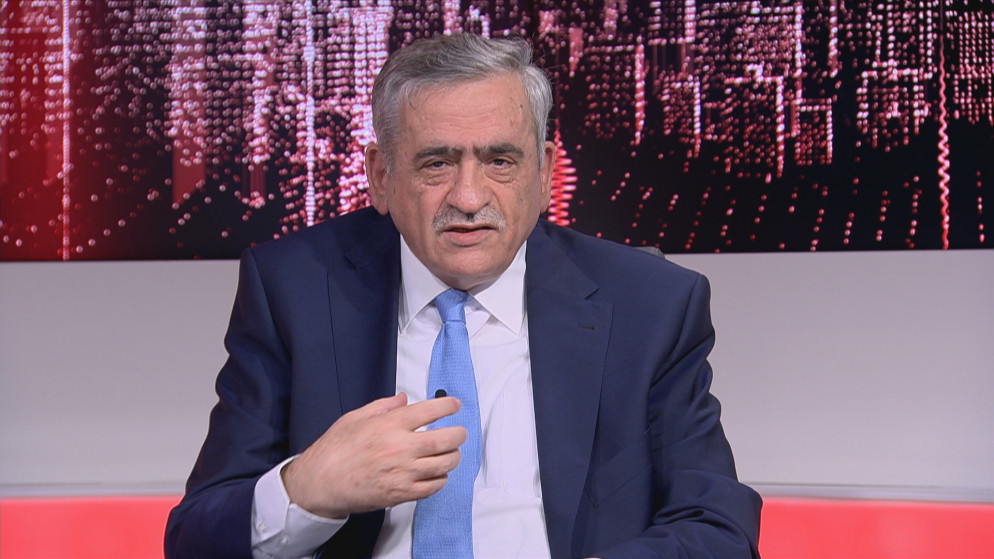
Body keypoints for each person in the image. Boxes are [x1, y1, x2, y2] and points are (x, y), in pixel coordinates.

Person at [165, 33, 761, 559]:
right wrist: (307, 489)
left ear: (544, 173)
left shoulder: (649, 305)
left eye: (500, 161)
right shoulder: (293, 289)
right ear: (380, 177)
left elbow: (718, 529)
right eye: (436, 164)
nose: (469, 198)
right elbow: (194, 539)